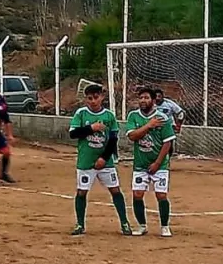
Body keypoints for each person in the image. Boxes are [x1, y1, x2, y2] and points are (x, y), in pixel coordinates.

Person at [68, 84, 132, 236]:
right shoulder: (81, 114)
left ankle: (124, 222)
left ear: (102, 97)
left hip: (106, 163)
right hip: (85, 162)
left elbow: (113, 139)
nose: (93, 101)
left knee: (115, 190)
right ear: (86, 99)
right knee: (82, 192)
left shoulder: (109, 116)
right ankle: (80, 224)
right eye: (89, 98)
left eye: (96, 98)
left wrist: (104, 158)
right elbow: (73, 133)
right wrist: (92, 128)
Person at [126, 87, 176, 237]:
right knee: (137, 194)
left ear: (153, 101)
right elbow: (132, 136)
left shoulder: (163, 118)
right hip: (140, 164)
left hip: (159, 165)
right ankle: (142, 225)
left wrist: (157, 163)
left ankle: (165, 226)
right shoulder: (133, 116)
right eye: (141, 98)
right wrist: (148, 126)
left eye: (146, 98)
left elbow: (167, 143)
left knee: (161, 195)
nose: (143, 100)